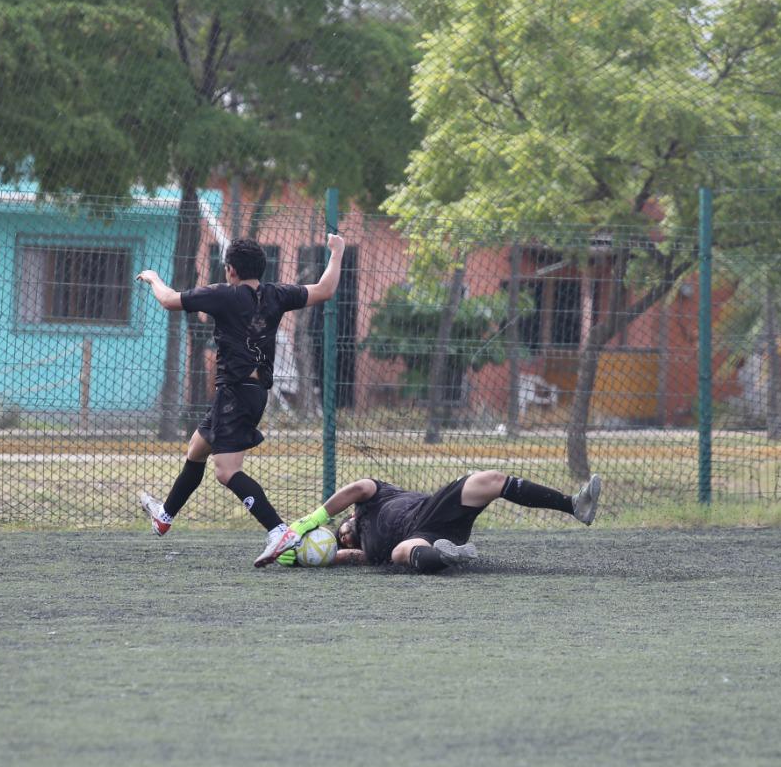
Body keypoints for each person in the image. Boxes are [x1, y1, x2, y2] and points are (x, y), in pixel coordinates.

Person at [136, 233, 346, 566]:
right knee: (197, 449)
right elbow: (325, 289)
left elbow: (169, 300)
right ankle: (165, 515)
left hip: (235, 394)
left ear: (230, 270)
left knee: (226, 471)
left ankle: (278, 530)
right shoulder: (276, 294)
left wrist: (153, 278)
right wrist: (337, 253)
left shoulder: (223, 295)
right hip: (250, 394)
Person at [278, 470, 602, 572]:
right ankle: (448, 555)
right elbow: (335, 556)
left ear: (349, 516)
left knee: (486, 479)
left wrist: (314, 519)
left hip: (431, 511)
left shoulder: (373, 498)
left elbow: (357, 487)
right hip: (420, 538)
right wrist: (298, 558)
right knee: (400, 553)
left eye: (340, 532)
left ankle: (573, 505)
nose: (343, 538)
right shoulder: (365, 553)